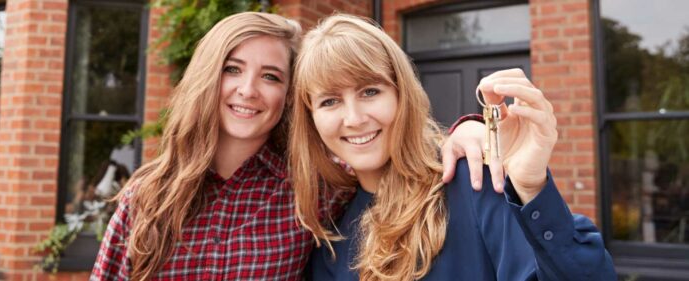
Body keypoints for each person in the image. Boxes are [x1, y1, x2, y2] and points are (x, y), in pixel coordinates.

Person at [92, 12, 497, 280]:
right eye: (232, 69)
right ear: (206, 78)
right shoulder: (146, 199)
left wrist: (468, 130)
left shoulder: (317, 189)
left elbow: (389, 154)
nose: (248, 90)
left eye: (270, 76)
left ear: (289, 96)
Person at [290, 14, 616, 280]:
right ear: (312, 120)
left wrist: (532, 188)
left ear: (402, 94)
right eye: (330, 101)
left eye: (370, 92)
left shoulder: (474, 182)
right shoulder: (331, 241)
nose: (354, 118)